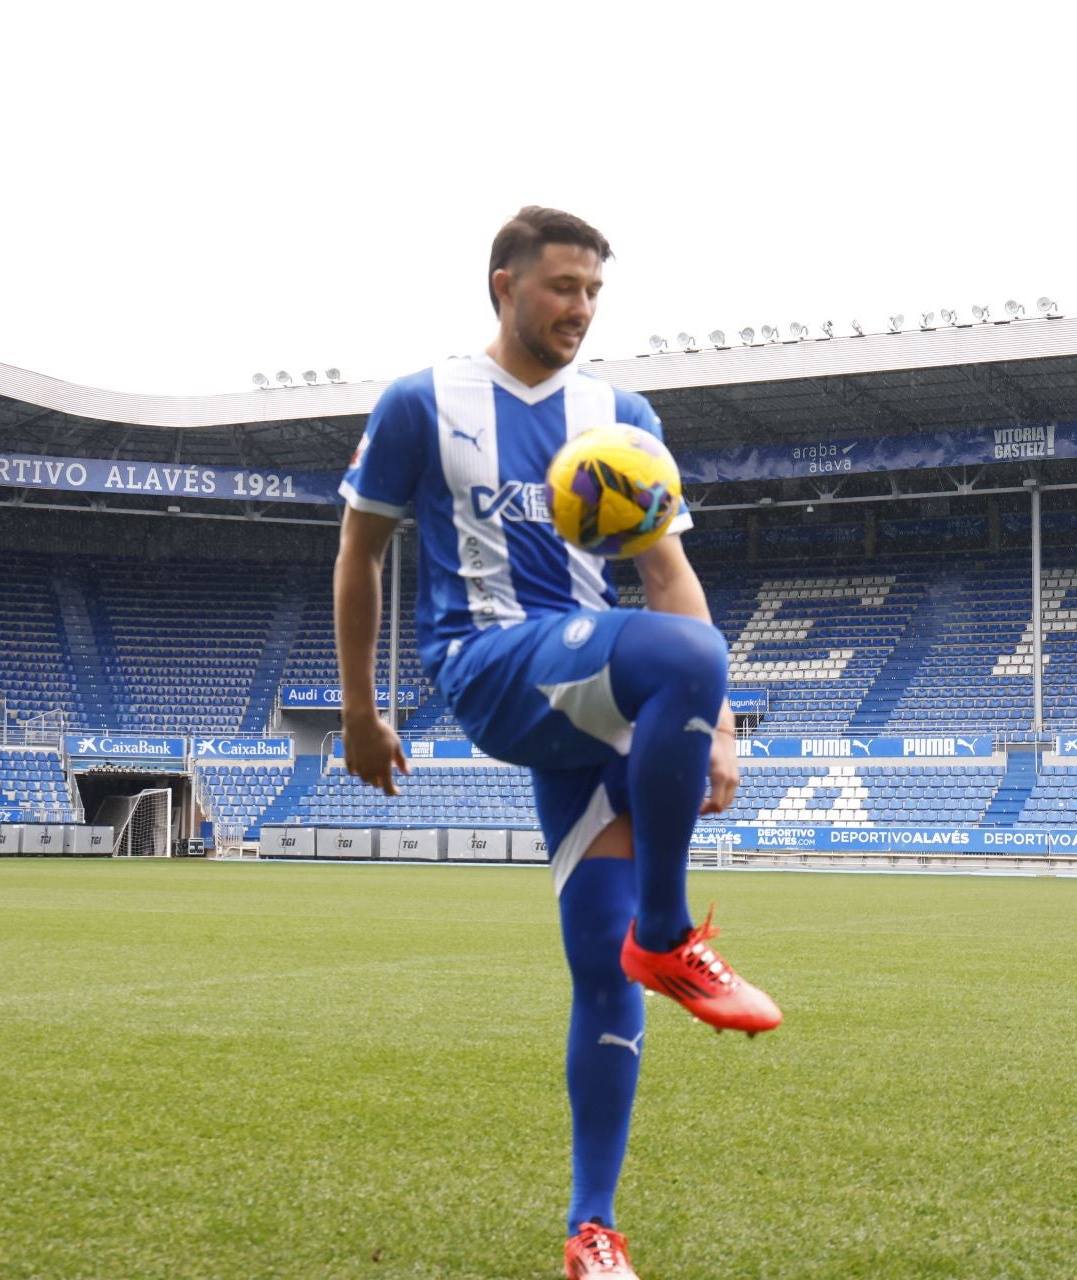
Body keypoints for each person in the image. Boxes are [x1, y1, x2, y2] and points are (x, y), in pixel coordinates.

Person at [333, 206, 780, 1280]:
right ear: (505, 283)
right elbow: (360, 558)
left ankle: (593, 1230)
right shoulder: (421, 402)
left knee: (598, 966)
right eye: (561, 287)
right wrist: (359, 710)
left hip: (589, 707)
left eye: (594, 292)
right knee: (685, 657)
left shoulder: (619, 414)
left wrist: (714, 726)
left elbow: (666, 575)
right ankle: (672, 930)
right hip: (489, 665)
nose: (580, 308)